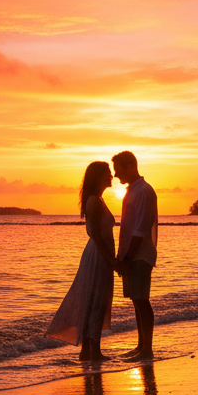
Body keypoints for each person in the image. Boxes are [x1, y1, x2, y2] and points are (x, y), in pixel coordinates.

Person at [45, 161, 118, 362]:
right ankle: (92, 350)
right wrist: (110, 260)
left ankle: (89, 350)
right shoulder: (94, 200)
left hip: (100, 255)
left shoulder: (99, 199)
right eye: (107, 174)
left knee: (97, 302)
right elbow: (95, 233)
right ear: (98, 177)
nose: (111, 176)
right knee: (96, 302)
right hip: (97, 256)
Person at [112, 150, 158, 360]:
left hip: (139, 256)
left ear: (129, 166)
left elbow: (140, 228)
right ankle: (141, 347)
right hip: (131, 255)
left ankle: (147, 349)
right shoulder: (132, 191)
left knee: (141, 301)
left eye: (118, 169)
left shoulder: (144, 192)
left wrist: (128, 258)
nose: (115, 175)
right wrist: (123, 256)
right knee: (136, 301)